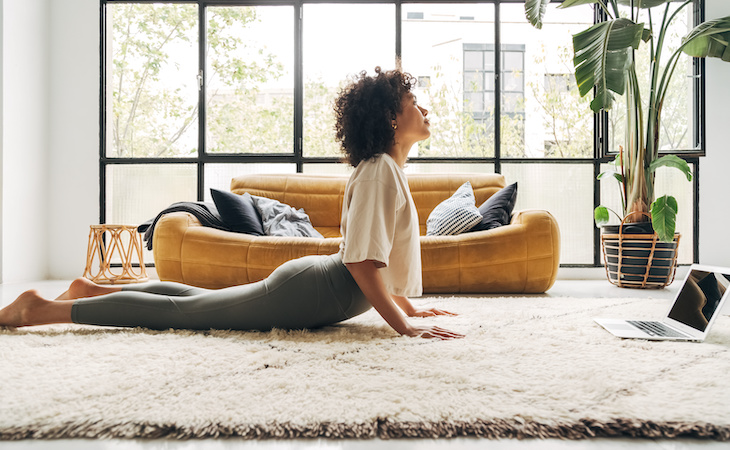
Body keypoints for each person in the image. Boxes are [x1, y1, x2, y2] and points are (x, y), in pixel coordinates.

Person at [0, 67, 464, 340]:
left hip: (322, 288)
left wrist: (409, 307)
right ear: (390, 116)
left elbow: (376, 257)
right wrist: (404, 325)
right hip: (313, 291)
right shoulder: (381, 170)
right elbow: (363, 263)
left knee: (196, 301)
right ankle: (41, 309)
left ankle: (88, 291)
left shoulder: (386, 169)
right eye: (415, 102)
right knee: (185, 316)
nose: (425, 111)